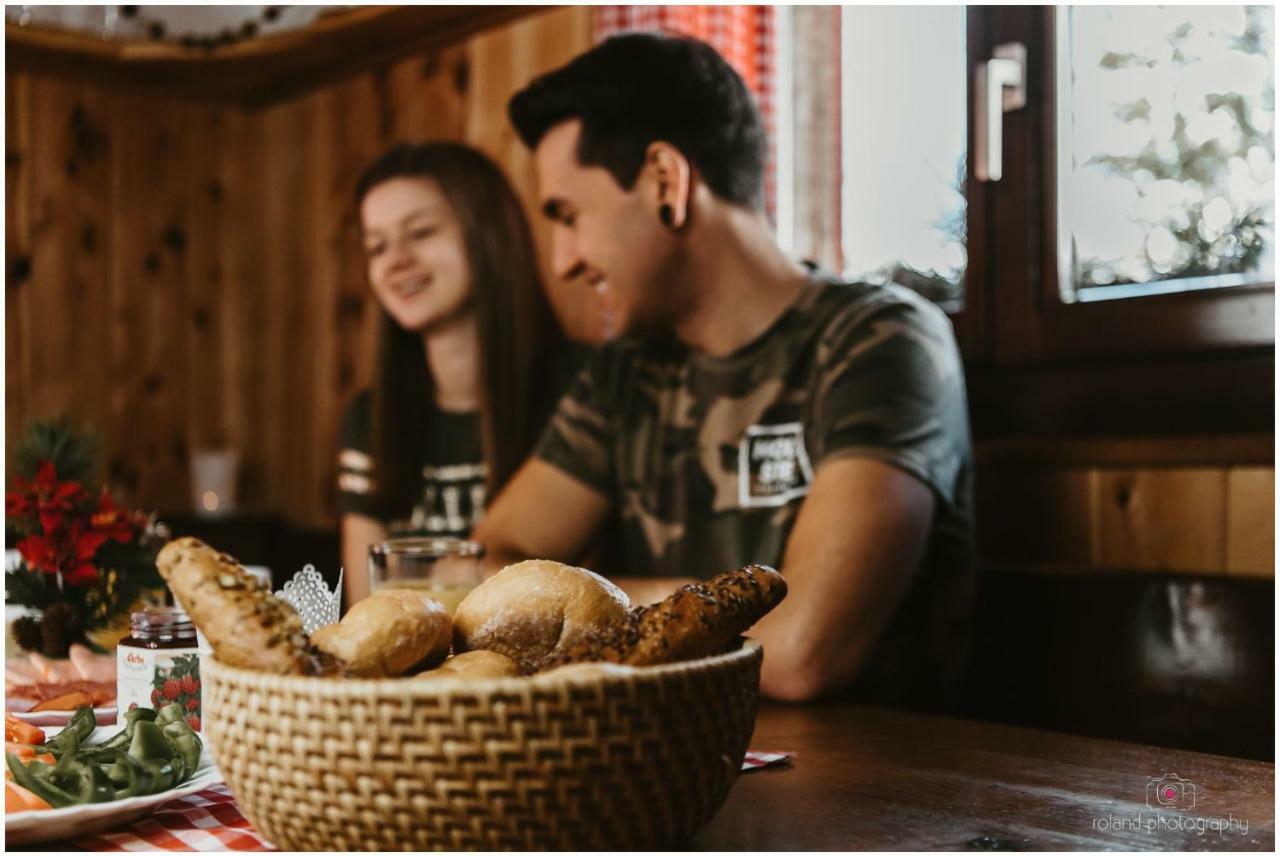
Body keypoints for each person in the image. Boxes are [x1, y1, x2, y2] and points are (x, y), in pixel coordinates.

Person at [472, 33, 975, 706]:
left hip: (875, 790)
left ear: (664, 182)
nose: (563, 260)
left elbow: (801, 649)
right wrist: (688, 610)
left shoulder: (883, 341)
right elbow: (484, 568)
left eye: (569, 215)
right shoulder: (621, 375)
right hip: (675, 771)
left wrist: (583, 602)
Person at [338, 142, 577, 607]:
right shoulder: (369, 418)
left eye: (421, 232)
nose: (396, 260)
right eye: (377, 246)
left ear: (487, 233)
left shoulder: (580, 388)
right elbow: (368, 611)